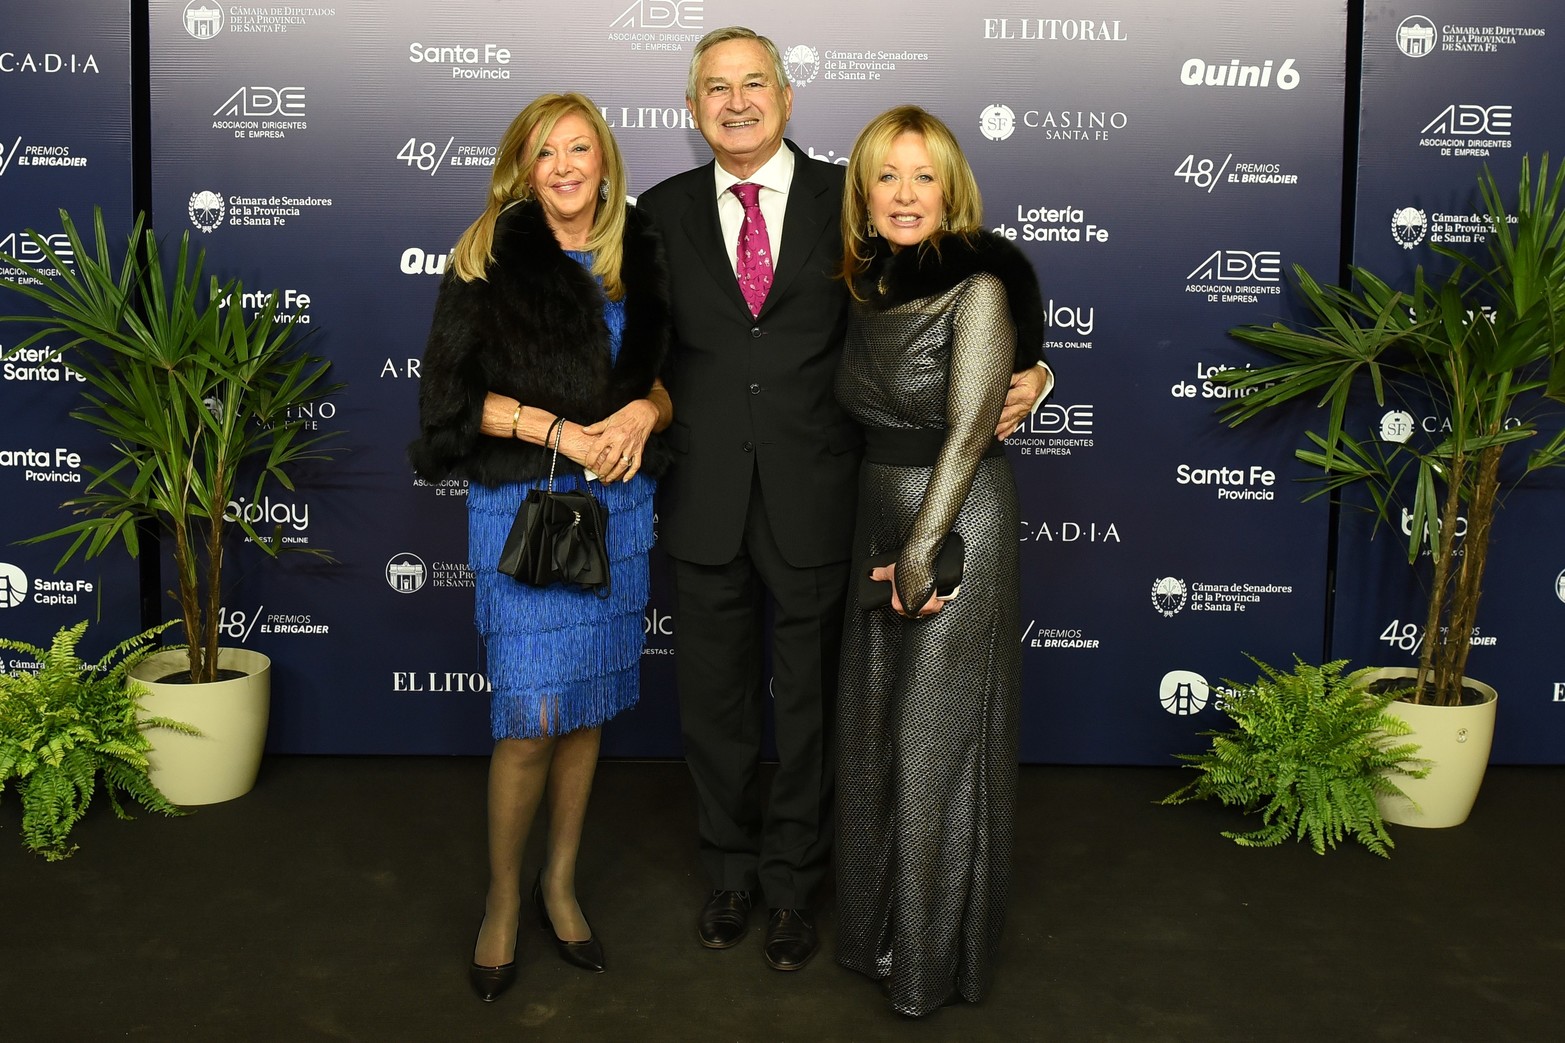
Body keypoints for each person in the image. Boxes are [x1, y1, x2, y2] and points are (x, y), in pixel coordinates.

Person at [637, 26, 1048, 972]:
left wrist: (1037, 374)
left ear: (786, 96)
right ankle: (730, 871)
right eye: (714, 88)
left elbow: (952, 302)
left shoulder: (851, 202)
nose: (735, 102)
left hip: (824, 498)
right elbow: (637, 351)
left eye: (753, 84)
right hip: (701, 493)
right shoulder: (655, 213)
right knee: (715, 704)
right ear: (692, 107)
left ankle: (792, 887)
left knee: (817, 706)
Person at [408, 92, 673, 1003]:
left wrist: (644, 409)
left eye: (579, 148)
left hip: (616, 510)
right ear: (523, 168)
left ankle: (561, 881)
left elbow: (669, 386)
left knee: (587, 710)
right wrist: (558, 431)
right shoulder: (487, 253)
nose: (563, 166)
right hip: (521, 508)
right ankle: (502, 897)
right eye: (544, 152)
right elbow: (449, 401)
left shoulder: (639, 255)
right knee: (528, 719)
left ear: (605, 161)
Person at [832, 105, 1046, 1018]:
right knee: (879, 728)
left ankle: (930, 957)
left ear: (951, 190)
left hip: (955, 518)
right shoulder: (866, 281)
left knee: (934, 738)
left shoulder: (983, 284)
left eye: (923, 177)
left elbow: (966, 429)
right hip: (876, 510)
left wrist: (924, 546)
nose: (905, 194)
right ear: (864, 192)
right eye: (887, 176)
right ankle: (880, 929)